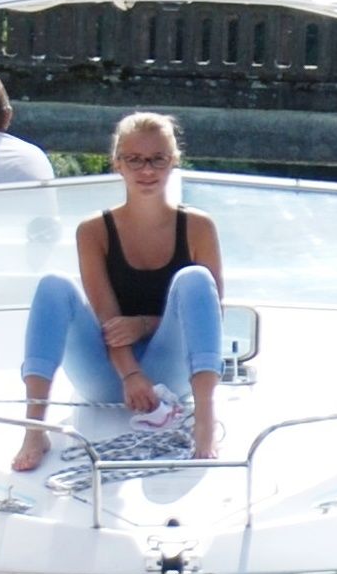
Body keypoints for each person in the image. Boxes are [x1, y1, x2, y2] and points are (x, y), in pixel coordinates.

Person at [13, 110, 225, 471]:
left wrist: (143, 324)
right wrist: (130, 374)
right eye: (135, 159)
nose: (147, 170)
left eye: (158, 159)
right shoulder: (93, 231)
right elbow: (106, 314)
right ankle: (34, 428)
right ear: (118, 164)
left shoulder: (198, 226)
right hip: (106, 372)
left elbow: (211, 311)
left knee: (195, 278)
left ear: (173, 161)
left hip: (170, 372)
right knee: (53, 285)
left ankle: (205, 419)